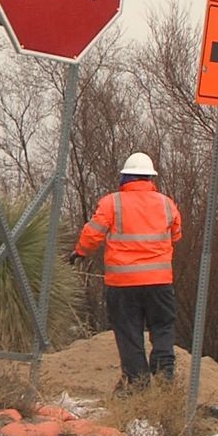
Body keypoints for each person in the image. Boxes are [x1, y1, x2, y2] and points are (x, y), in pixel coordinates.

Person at [68, 152, 182, 389]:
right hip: (159, 282)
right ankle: (164, 375)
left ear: (125, 178)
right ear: (150, 179)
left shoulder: (112, 203)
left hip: (123, 284)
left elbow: (93, 233)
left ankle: (138, 385)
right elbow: (176, 235)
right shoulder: (166, 203)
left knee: (129, 334)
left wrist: (79, 252)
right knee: (163, 327)